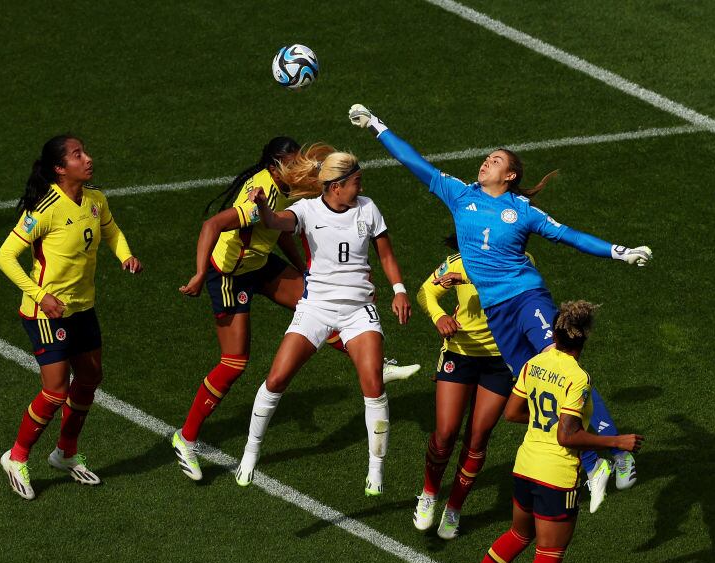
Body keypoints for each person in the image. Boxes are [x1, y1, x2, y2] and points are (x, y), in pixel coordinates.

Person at [349, 104, 646, 511]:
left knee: (563, 368)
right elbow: (415, 163)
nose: (486, 162)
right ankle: (595, 462)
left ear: (510, 177)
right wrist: (377, 127)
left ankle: (620, 453)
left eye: (496, 161)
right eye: (487, 158)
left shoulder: (523, 211)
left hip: (527, 299)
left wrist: (619, 252)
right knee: (542, 380)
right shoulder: (460, 195)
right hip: (497, 313)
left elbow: (569, 236)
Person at [172, 137, 419, 481]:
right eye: (293, 163)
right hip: (230, 274)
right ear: (275, 166)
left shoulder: (287, 190)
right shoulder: (262, 195)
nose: (301, 167)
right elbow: (213, 225)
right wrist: (200, 274)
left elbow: (284, 229)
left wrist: (305, 267)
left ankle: (373, 364)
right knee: (234, 362)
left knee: (321, 298)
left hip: (259, 264)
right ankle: (186, 438)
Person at [444, 301, 644, 563]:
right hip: (556, 476)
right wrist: (616, 441)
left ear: (553, 333)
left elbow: (512, 413)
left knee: (518, 534)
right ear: (583, 342)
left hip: (525, 466)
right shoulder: (578, 377)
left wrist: (544, 424)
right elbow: (568, 436)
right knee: (548, 553)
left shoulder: (534, 364)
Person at [234, 144, 411, 495]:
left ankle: (375, 470)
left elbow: (386, 255)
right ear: (336, 186)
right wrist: (261, 207)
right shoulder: (306, 210)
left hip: (359, 310)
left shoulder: (368, 208)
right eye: (356, 182)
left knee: (373, 383)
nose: (360, 188)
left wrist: (400, 289)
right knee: (277, 378)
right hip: (315, 307)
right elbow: (274, 222)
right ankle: (250, 453)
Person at [0, 134, 142, 500]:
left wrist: (125, 254)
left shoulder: (95, 200)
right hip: (46, 313)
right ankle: (16, 457)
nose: (88, 159)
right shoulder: (44, 207)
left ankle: (65, 453)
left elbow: (110, 231)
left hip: (82, 308)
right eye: (78, 155)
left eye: (85, 152)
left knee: (91, 376)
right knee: (56, 389)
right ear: (60, 169)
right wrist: (41, 296)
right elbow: (4, 257)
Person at [413, 234, 522, 539]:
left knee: (477, 439)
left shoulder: (518, 264)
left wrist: (464, 276)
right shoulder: (455, 263)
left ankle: (454, 509)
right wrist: (440, 316)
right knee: (446, 432)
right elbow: (425, 293)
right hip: (459, 354)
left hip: (500, 361)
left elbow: (504, 284)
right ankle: (429, 493)